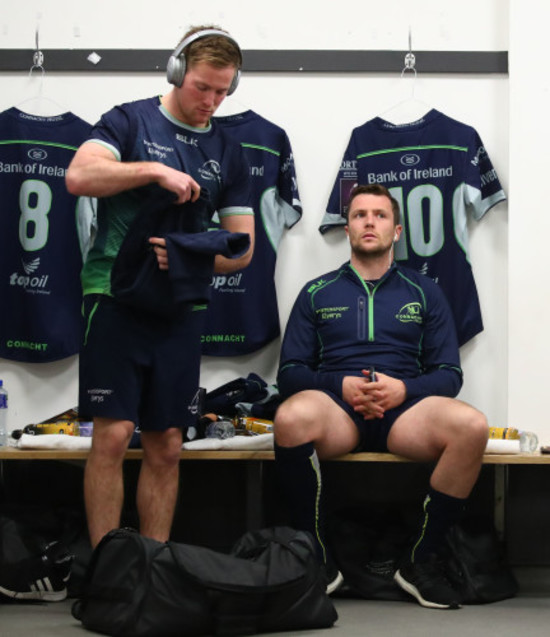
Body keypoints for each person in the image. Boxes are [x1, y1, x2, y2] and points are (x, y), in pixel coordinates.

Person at [65, 25, 254, 549]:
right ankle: (109, 566)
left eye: (223, 91)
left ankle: (154, 567)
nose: (211, 102)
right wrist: (152, 171)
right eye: (202, 87)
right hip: (113, 296)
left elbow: (243, 249)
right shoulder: (129, 120)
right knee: (113, 435)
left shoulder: (229, 150)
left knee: (167, 442)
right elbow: (79, 177)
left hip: (181, 305)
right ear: (175, 72)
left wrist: (192, 257)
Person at [273, 183, 488, 609]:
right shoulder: (317, 292)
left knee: (472, 426)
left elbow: (449, 375)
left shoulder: (425, 291)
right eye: (359, 215)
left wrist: (404, 389)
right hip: (339, 413)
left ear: (397, 230)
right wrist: (340, 386)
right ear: (347, 228)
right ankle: (317, 557)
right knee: (290, 417)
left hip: (404, 415)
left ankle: (419, 561)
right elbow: (290, 374)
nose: (369, 221)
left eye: (379, 215)